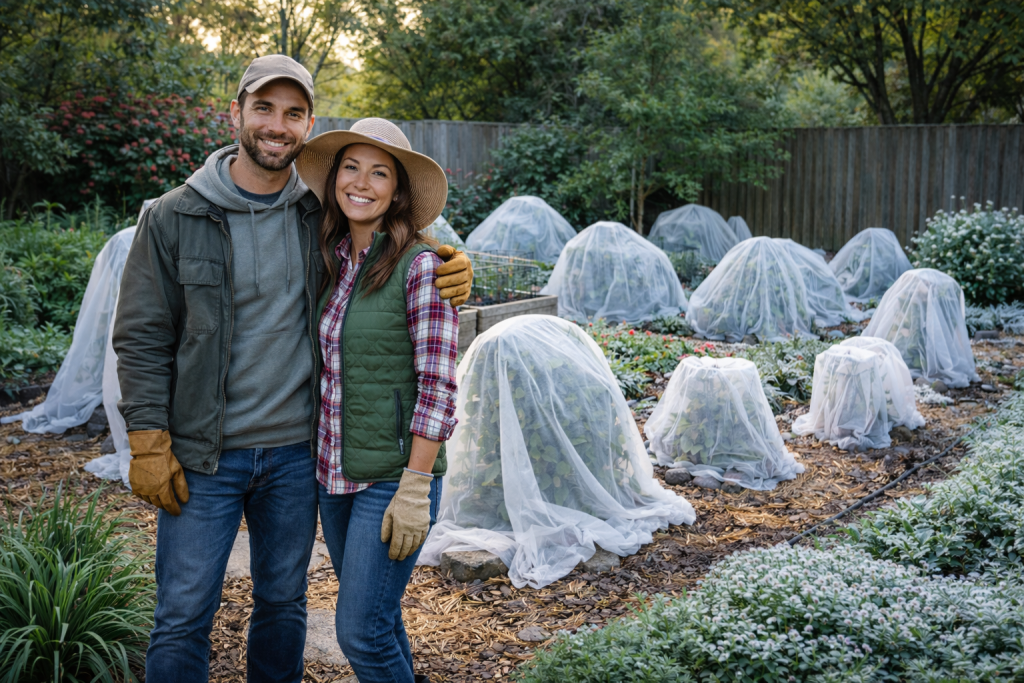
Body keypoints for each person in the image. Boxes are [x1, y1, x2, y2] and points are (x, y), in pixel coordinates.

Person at [113, 57, 472, 683]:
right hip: (204, 455)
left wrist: (449, 262)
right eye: (264, 108)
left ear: (307, 124)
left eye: (294, 113)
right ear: (237, 114)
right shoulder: (173, 216)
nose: (278, 125)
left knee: (283, 605)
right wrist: (147, 438)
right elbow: (142, 337)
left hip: (296, 457)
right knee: (181, 614)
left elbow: (391, 233)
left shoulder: (319, 214)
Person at [294, 118, 457, 683]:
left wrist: (415, 487)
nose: (361, 182)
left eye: (379, 172)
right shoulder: (335, 259)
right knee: (380, 622)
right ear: (336, 178)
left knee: (359, 631)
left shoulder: (421, 269)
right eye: (351, 167)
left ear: (398, 190)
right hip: (335, 475)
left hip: (391, 480)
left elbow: (438, 386)